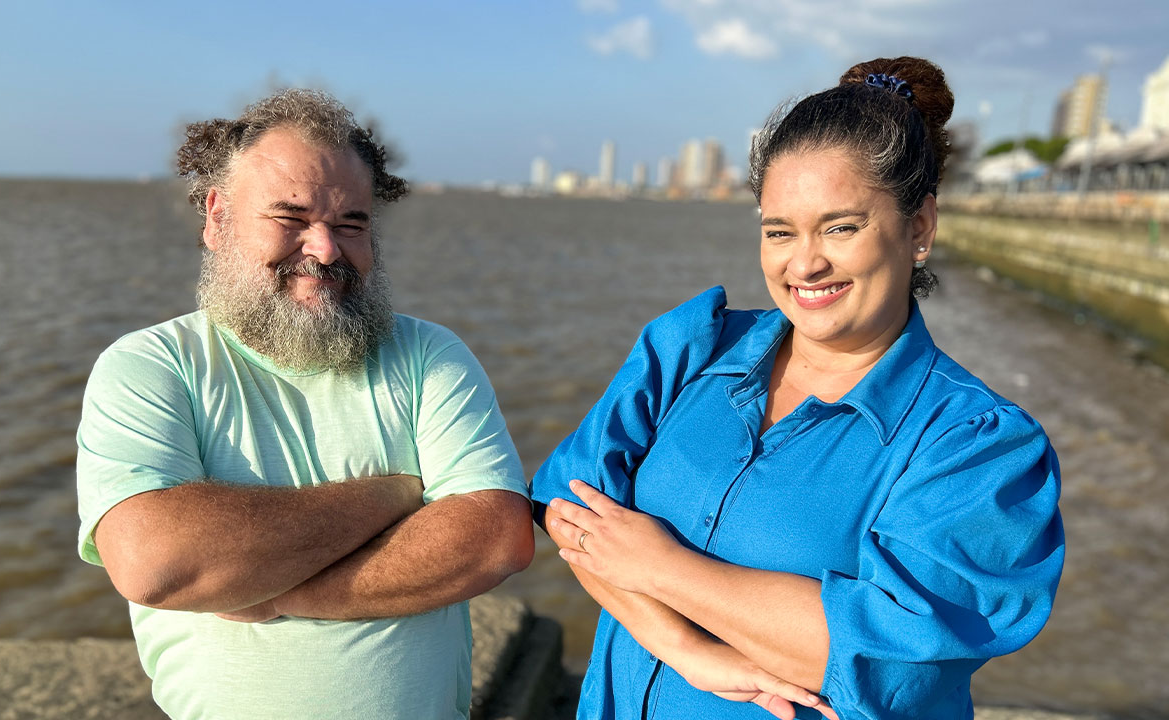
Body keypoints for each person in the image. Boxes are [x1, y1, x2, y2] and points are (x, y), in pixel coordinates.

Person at [532, 57, 1065, 720]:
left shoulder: (977, 447)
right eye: (779, 231)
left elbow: (895, 660)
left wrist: (661, 566)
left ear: (919, 228)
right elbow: (567, 505)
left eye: (840, 227)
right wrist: (681, 646)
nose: (804, 262)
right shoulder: (690, 348)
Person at [75, 89, 534, 720]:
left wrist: (269, 594)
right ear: (218, 219)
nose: (324, 249)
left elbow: (494, 539)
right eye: (290, 218)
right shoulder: (151, 366)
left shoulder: (430, 355)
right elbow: (157, 563)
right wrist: (393, 497)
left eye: (352, 224)